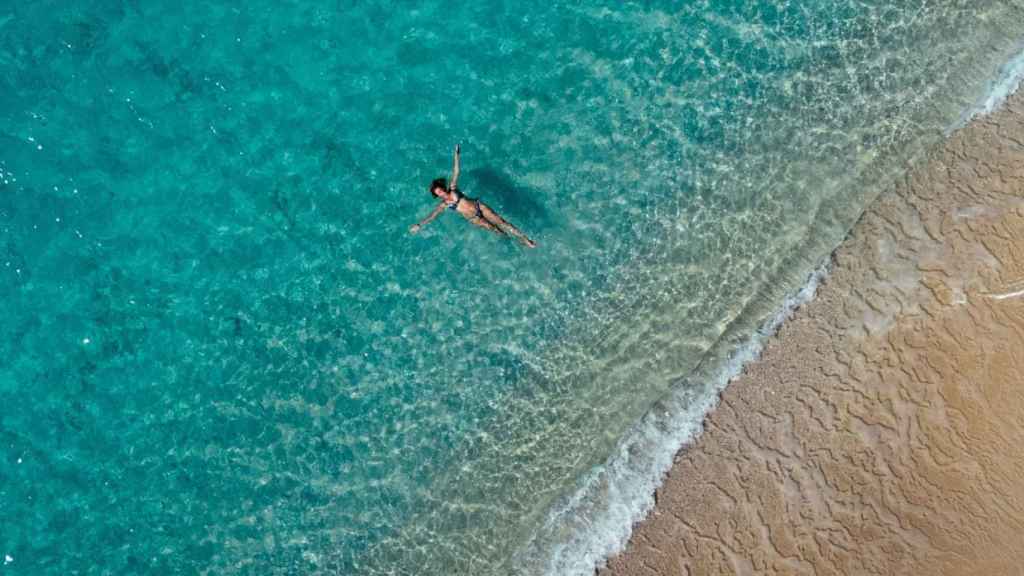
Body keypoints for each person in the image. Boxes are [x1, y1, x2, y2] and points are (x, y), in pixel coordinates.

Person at [410, 145, 537, 248]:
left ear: (443, 188)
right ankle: (517, 242)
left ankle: (525, 239)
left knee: (502, 222)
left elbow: (456, 171)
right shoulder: (444, 205)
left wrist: (456, 155)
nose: (441, 193)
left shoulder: (453, 188)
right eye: (438, 193)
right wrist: (419, 225)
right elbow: (432, 216)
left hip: (479, 206)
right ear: (437, 196)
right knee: (497, 230)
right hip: (474, 218)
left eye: (441, 190)